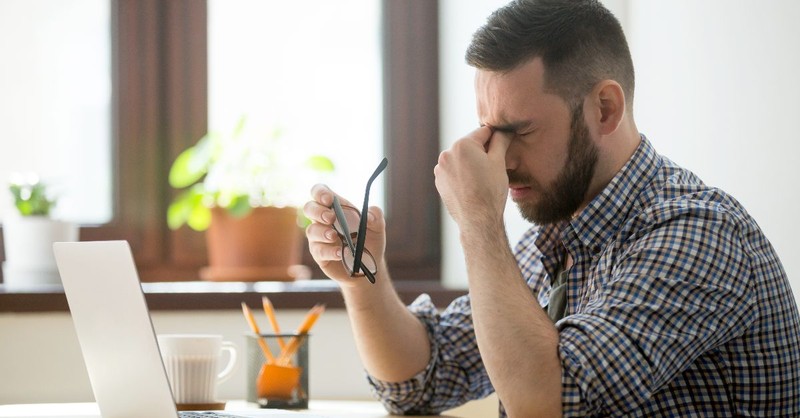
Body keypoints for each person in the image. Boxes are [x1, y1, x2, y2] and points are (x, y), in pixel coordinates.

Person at [303, 0, 800, 416]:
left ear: (605, 109)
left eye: (519, 131)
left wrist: (479, 220)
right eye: (489, 132)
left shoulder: (697, 234)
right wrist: (359, 278)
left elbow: (549, 403)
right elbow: (421, 379)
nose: (500, 160)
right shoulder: (554, 236)